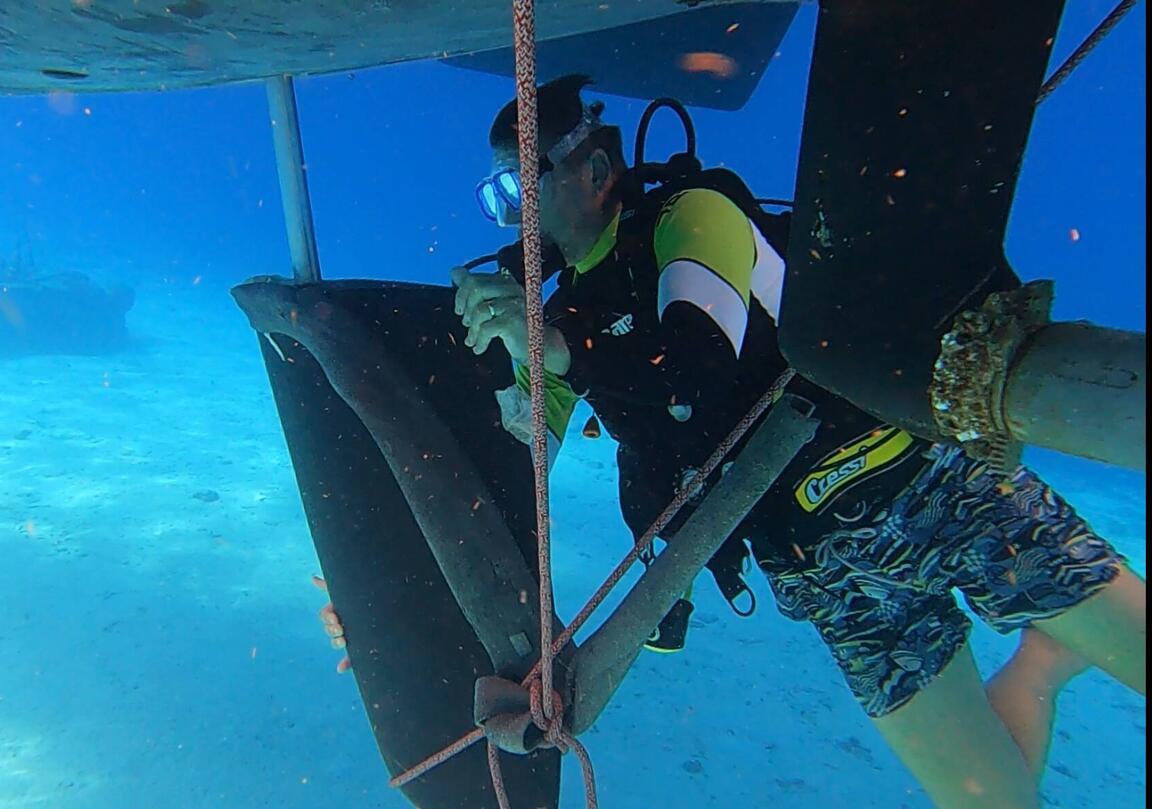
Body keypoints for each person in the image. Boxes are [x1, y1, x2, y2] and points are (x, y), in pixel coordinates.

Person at [316, 75, 1145, 809]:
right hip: (817, 572)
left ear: (596, 172)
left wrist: (553, 344)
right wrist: (391, 591)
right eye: (499, 198)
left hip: (918, 488)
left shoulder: (694, 217)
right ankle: (1042, 662)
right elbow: (510, 471)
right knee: (993, 800)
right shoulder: (563, 317)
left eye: (521, 186)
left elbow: (694, 366)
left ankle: (1051, 642)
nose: (516, 217)